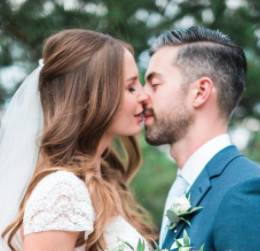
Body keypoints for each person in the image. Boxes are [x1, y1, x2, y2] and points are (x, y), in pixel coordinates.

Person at [0, 29, 156, 251]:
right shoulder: (61, 191)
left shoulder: (103, 183)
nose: (144, 96)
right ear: (94, 96)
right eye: (131, 87)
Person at [143, 26, 260, 250]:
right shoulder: (185, 188)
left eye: (154, 85)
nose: (143, 96)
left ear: (200, 92)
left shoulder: (248, 194)